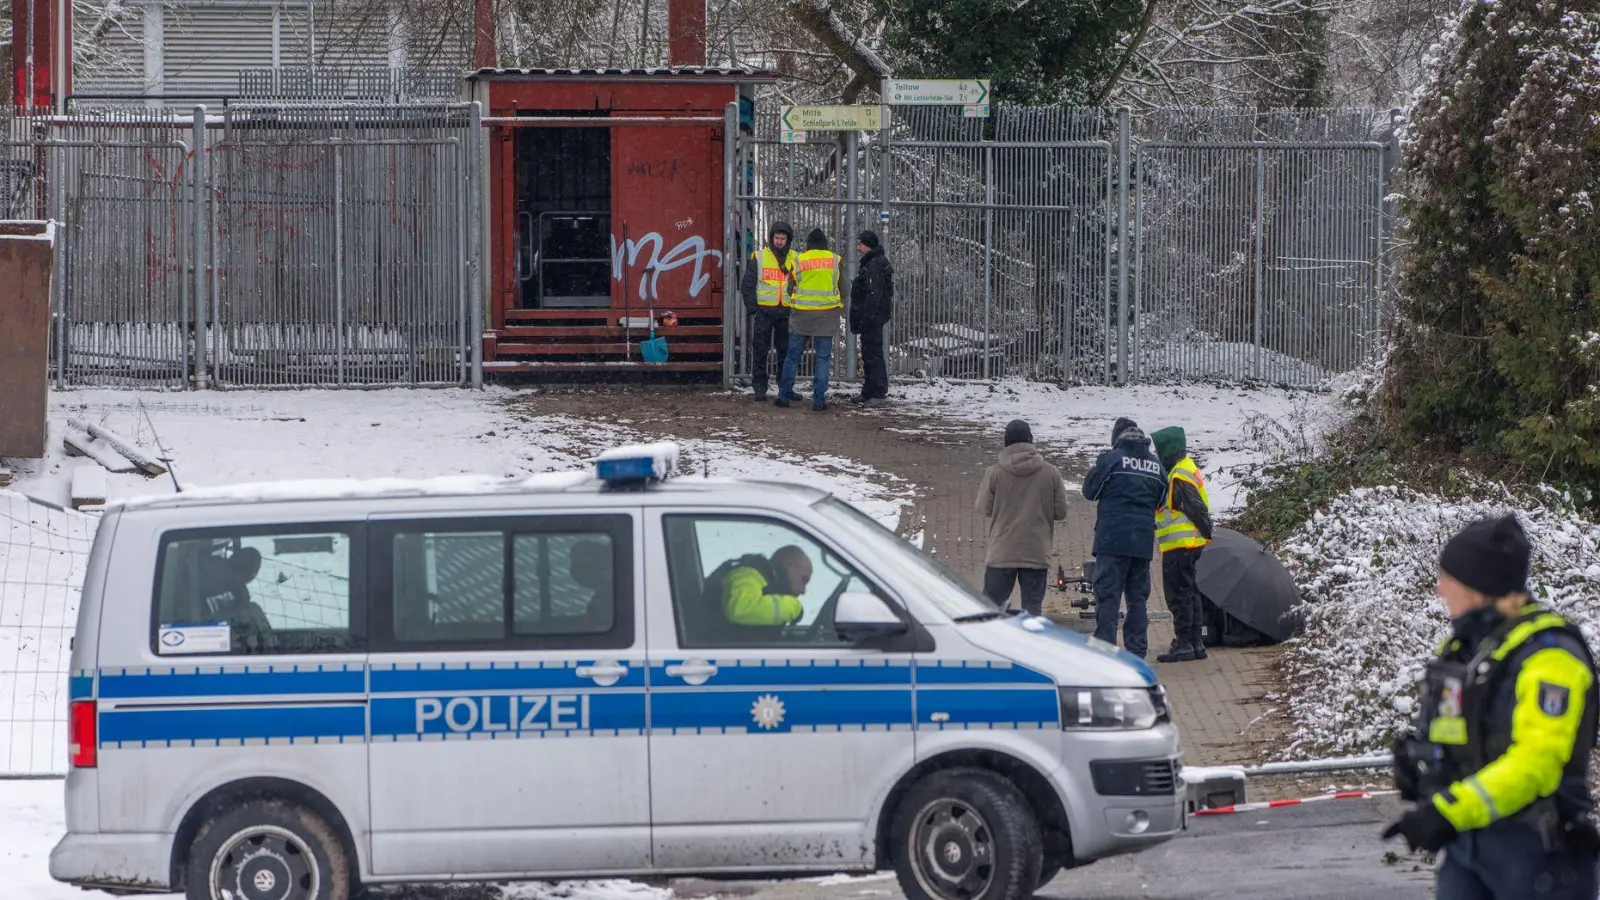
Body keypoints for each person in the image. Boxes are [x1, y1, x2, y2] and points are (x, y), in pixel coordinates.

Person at [1385, 515, 1600, 899]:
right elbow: (1461, 737)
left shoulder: (1551, 657)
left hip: (1539, 857)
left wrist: (1450, 811)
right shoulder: (1467, 649)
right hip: (1468, 849)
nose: (1439, 589)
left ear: (1479, 586)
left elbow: (1536, 766)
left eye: (1447, 578)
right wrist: (1424, 768)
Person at [1081, 417, 1166, 659]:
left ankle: (1106, 650)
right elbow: (1161, 500)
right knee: (1137, 598)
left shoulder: (1112, 460)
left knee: (1108, 596)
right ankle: (1137, 650)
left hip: (1112, 540)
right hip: (1141, 542)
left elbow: (1090, 492)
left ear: (1116, 438)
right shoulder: (1155, 465)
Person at [976, 419, 1069, 616]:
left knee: (990, 612)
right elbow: (1061, 512)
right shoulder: (1051, 473)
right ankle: (1029, 646)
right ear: (1030, 440)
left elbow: (983, 507)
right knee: (1032, 614)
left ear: (1006, 441)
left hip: (1002, 552)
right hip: (1036, 552)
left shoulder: (994, 473)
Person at [1151, 426, 1213, 663]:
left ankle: (1185, 642)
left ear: (1168, 451)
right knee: (1190, 592)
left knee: (1178, 595)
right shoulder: (1185, 469)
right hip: (1189, 543)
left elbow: (1196, 508)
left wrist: (1206, 529)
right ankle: (1196, 642)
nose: (1157, 455)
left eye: (1159, 450)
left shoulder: (1178, 476)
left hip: (1181, 545)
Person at [776, 229, 843, 411]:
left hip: (801, 315)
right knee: (822, 359)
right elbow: (844, 287)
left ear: (808, 244)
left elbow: (790, 287)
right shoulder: (835, 260)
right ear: (824, 244)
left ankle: (783, 396)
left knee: (792, 357)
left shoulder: (799, 260)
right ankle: (818, 401)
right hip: (827, 315)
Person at [740, 221, 797, 400]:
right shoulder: (760, 256)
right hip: (764, 311)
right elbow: (747, 284)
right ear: (771, 237)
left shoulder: (796, 258)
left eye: (782, 238)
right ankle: (759, 388)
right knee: (760, 349)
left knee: (785, 352)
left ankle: (785, 388)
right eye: (776, 237)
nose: (779, 241)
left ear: (788, 240)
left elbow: (802, 283)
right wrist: (753, 308)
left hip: (787, 312)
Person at [849, 230, 894, 406]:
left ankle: (878, 391)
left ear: (868, 246)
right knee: (868, 353)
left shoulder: (874, 265)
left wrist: (867, 317)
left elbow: (874, 294)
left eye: (860, 244)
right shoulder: (873, 262)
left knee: (873, 353)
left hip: (872, 317)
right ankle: (869, 390)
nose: (858, 248)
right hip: (872, 316)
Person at [722, 545, 813, 625]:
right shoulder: (747, 575)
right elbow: (740, 609)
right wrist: (794, 608)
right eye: (803, 579)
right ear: (787, 565)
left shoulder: (766, 581)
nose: (803, 591)